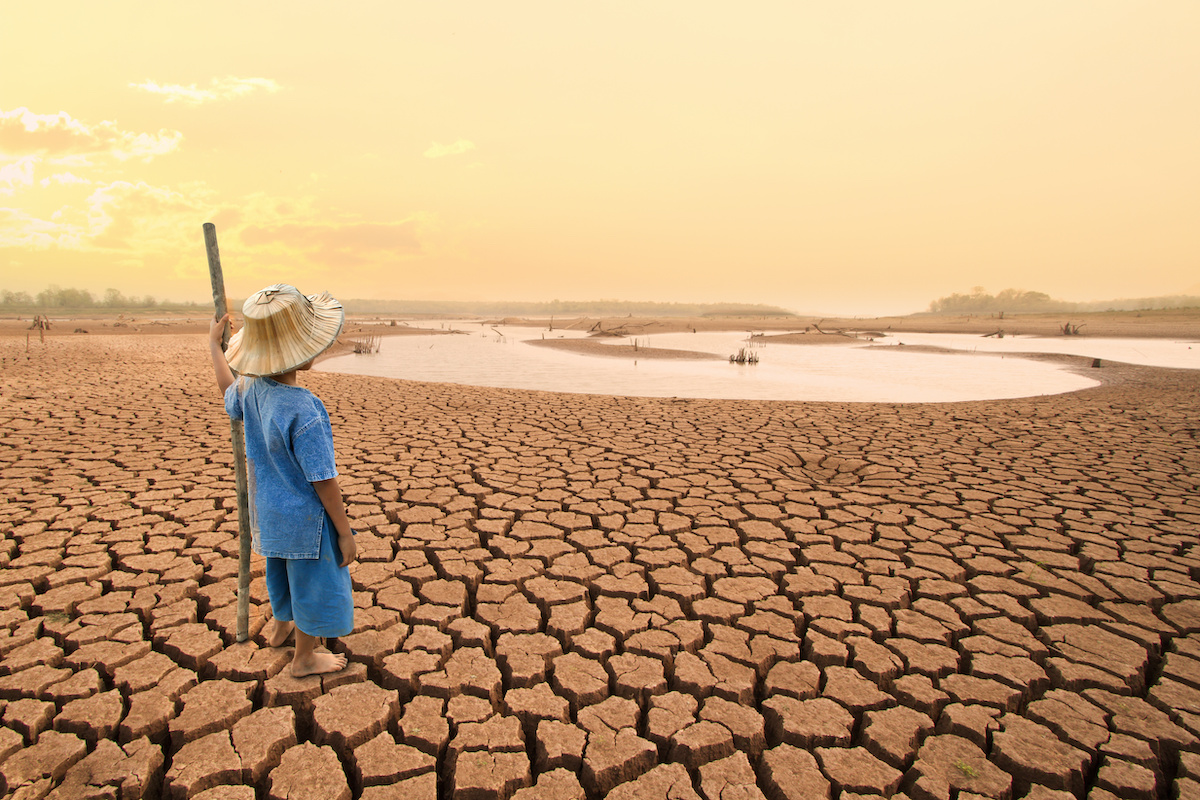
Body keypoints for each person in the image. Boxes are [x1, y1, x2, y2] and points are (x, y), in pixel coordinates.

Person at [209, 283, 357, 676]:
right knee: (310, 583)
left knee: (279, 573)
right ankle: (304, 657)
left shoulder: (251, 389)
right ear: (305, 353)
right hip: (304, 521)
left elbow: (229, 390)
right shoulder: (304, 408)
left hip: (266, 513)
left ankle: (280, 628)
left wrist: (215, 347)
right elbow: (323, 480)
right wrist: (343, 531)